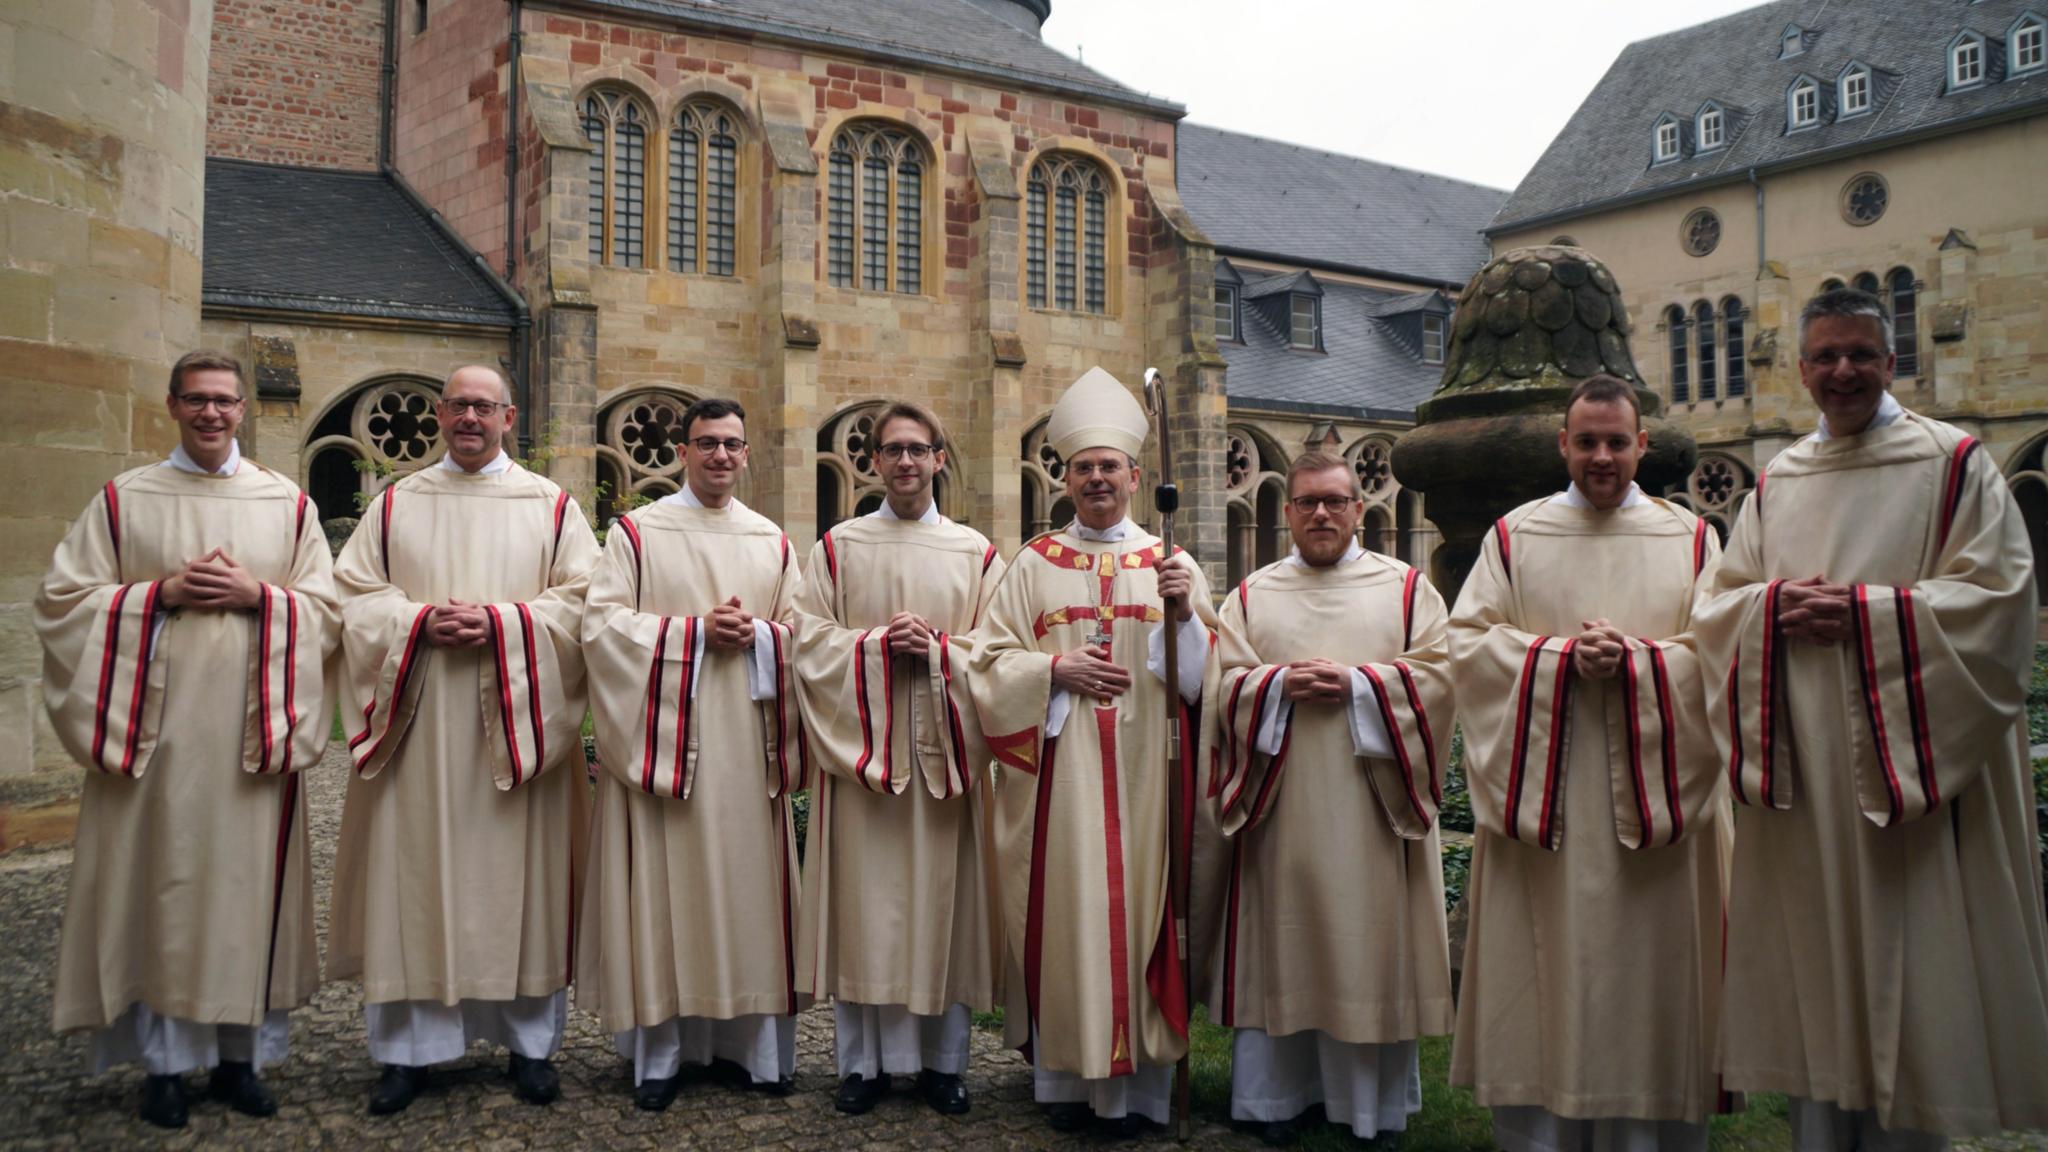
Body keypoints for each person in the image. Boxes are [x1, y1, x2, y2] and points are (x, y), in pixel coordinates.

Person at [1696, 288, 2048, 1149]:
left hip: (1913, 774)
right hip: (1809, 777)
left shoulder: (1954, 464)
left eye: (1860, 354)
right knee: (1821, 977)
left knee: (1915, 971)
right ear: (1803, 369)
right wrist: (1771, 607)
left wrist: (1868, 616)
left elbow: (2000, 605)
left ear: (1892, 362)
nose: (1843, 371)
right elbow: (1718, 604)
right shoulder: (1778, 481)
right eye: (1826, 357)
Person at [35, 349, 337, 1129]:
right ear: (171, 405)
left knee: (243, 894)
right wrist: (158, 595)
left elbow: (328, 612)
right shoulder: (123, 500)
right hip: (155, 744)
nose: (211, 413)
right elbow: (63, 602)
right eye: (196, 400)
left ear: (243, 408)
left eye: (224, 401)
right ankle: (165, 1066)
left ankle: (242, 1061)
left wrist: (259, 597)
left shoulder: (287, 504)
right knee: (162, 894)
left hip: (251, 742)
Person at [1448, 374, 1733, 1152]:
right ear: (1562, 445)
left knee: (1651, 980)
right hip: (1552, 807)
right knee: (1545, 972)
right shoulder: (1515, 536)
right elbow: (1466, 647)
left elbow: (1724, 656)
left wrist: (1640, 665)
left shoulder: (1694, 540)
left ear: (1643, 445)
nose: (1601, 457)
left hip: (1658, 815)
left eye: (1616, 442)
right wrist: (1560, 661)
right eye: (1586, 442)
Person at [328, 364, 599, 1115]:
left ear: (510, 416)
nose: (470, 418)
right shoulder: (396, 505)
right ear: (438, 415)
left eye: (485, 406)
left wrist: (503, 625)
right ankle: (408, 1052)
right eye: (458, 406)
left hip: (520, 733)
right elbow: (350, 597)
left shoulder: (551, 507)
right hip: (417, 728)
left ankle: (530, 1047)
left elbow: (585, 604)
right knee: (412, 879)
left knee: (524, 881)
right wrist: (416, 624)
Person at [963, 366, 1212, 1137]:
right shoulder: (1033, 565)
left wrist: (1183, 618)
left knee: (1143, 917)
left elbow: (1205, 683)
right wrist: (1053, 671)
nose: (1097, 478)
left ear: (1136, 477)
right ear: (1063, 476)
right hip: (1061, 779)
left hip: (1146, 781)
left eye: (1110, 466)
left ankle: (1138, 1089)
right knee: (1067, 912)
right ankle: (1069, 1084)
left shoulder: (1171, 563)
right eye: (1083, 467)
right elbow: (986, 662)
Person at [1196, 450, 1456, 1145]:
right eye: (1307, 502)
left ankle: (1365, 1108)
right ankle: (1274, 1101)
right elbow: (1222, 688)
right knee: (1284, 948)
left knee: (1366, 953)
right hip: (1281, 815)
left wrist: (1364, 686)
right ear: (1286, 512)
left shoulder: (1405, 591)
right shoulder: (1250, 596)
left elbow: (1440, 679)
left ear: (1358, 509)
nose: (1320, 513)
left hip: (1375, 815)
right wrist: (1274, 687)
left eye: (1334, 501)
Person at [578, 397, 809, 1111]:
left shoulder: (772, 541)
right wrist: (694, 635)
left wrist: (765, 637)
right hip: (665, 751)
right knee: (665, 895)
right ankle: (662, 1056)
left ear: (747, 454)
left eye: (732, 444)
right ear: (682, 451)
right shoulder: (639, 534)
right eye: (706, 443)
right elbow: (601, 626)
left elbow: (807, 634)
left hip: (746, 744)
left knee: (748, 891)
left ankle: (755, 1054)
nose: (719, 456)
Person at [791, 401, 1004, 1117]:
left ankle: (946, 1066)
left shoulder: (976, 554)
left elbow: (999, 657)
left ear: (941, 458)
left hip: (944, 765)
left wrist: (940, 652)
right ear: (873, 461)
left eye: (919, 449)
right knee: (866, 912)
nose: (906, 462)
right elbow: (806, 643)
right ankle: (862, 1065)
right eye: (892, 450)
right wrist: (877, 647)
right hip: (864, 765)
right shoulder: (836, 548)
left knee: (941, 912)